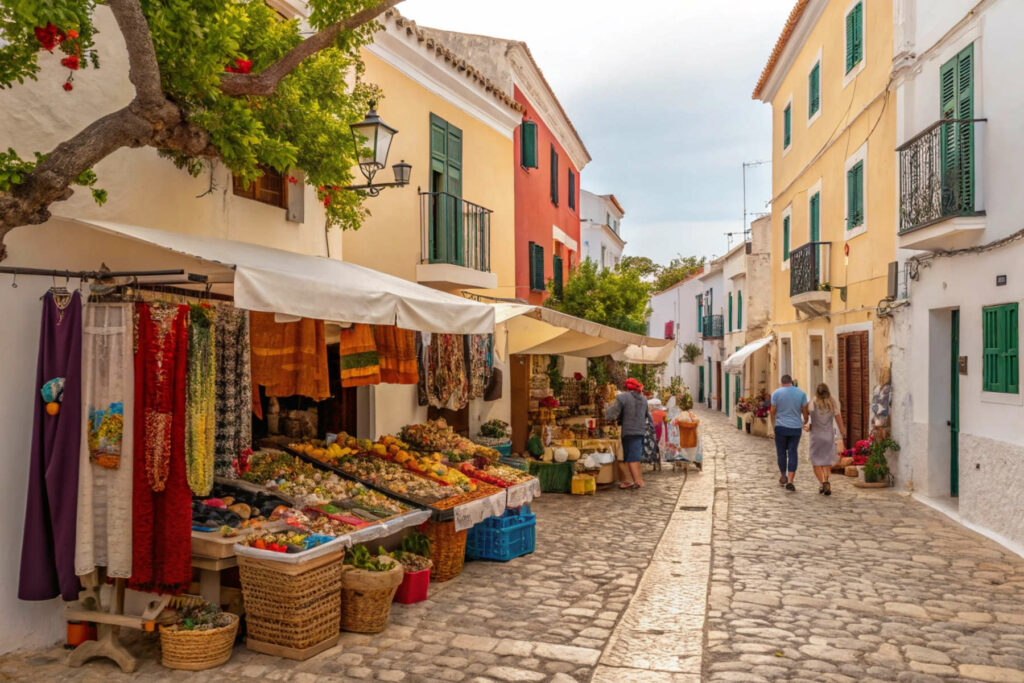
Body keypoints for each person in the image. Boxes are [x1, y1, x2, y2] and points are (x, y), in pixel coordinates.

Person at [605, 377, 652, 489]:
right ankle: (632, 480)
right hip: (640, 430)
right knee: (635, 456)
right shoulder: (644, 399)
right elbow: (646, 415)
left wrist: (607, 406)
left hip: (629, 430)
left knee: (632, 457)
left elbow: (611, 415)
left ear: (625, 388)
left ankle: (638, 481)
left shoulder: (622, 397)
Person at [805, 383, 846, 496]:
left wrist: (808, 425)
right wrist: (843, 431)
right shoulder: (833, 403)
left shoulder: (812, 403)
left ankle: (822, 483)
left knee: (816, 461)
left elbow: (808, 417)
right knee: (826, 460)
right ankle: (827, 480)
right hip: (828, 436)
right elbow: (838, 418)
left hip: (816, 437)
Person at [770, 374, 808, 491]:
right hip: (795, 428)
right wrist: (804, 421)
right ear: (791, 382)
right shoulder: (801, 393)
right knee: (793, 452)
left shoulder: (776, 393)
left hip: (780, 427)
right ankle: (791, 480)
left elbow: (772, 411)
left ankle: (783, 475)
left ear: (782, 382)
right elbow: (804, 411)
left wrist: (773, 425)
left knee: (781, 453)